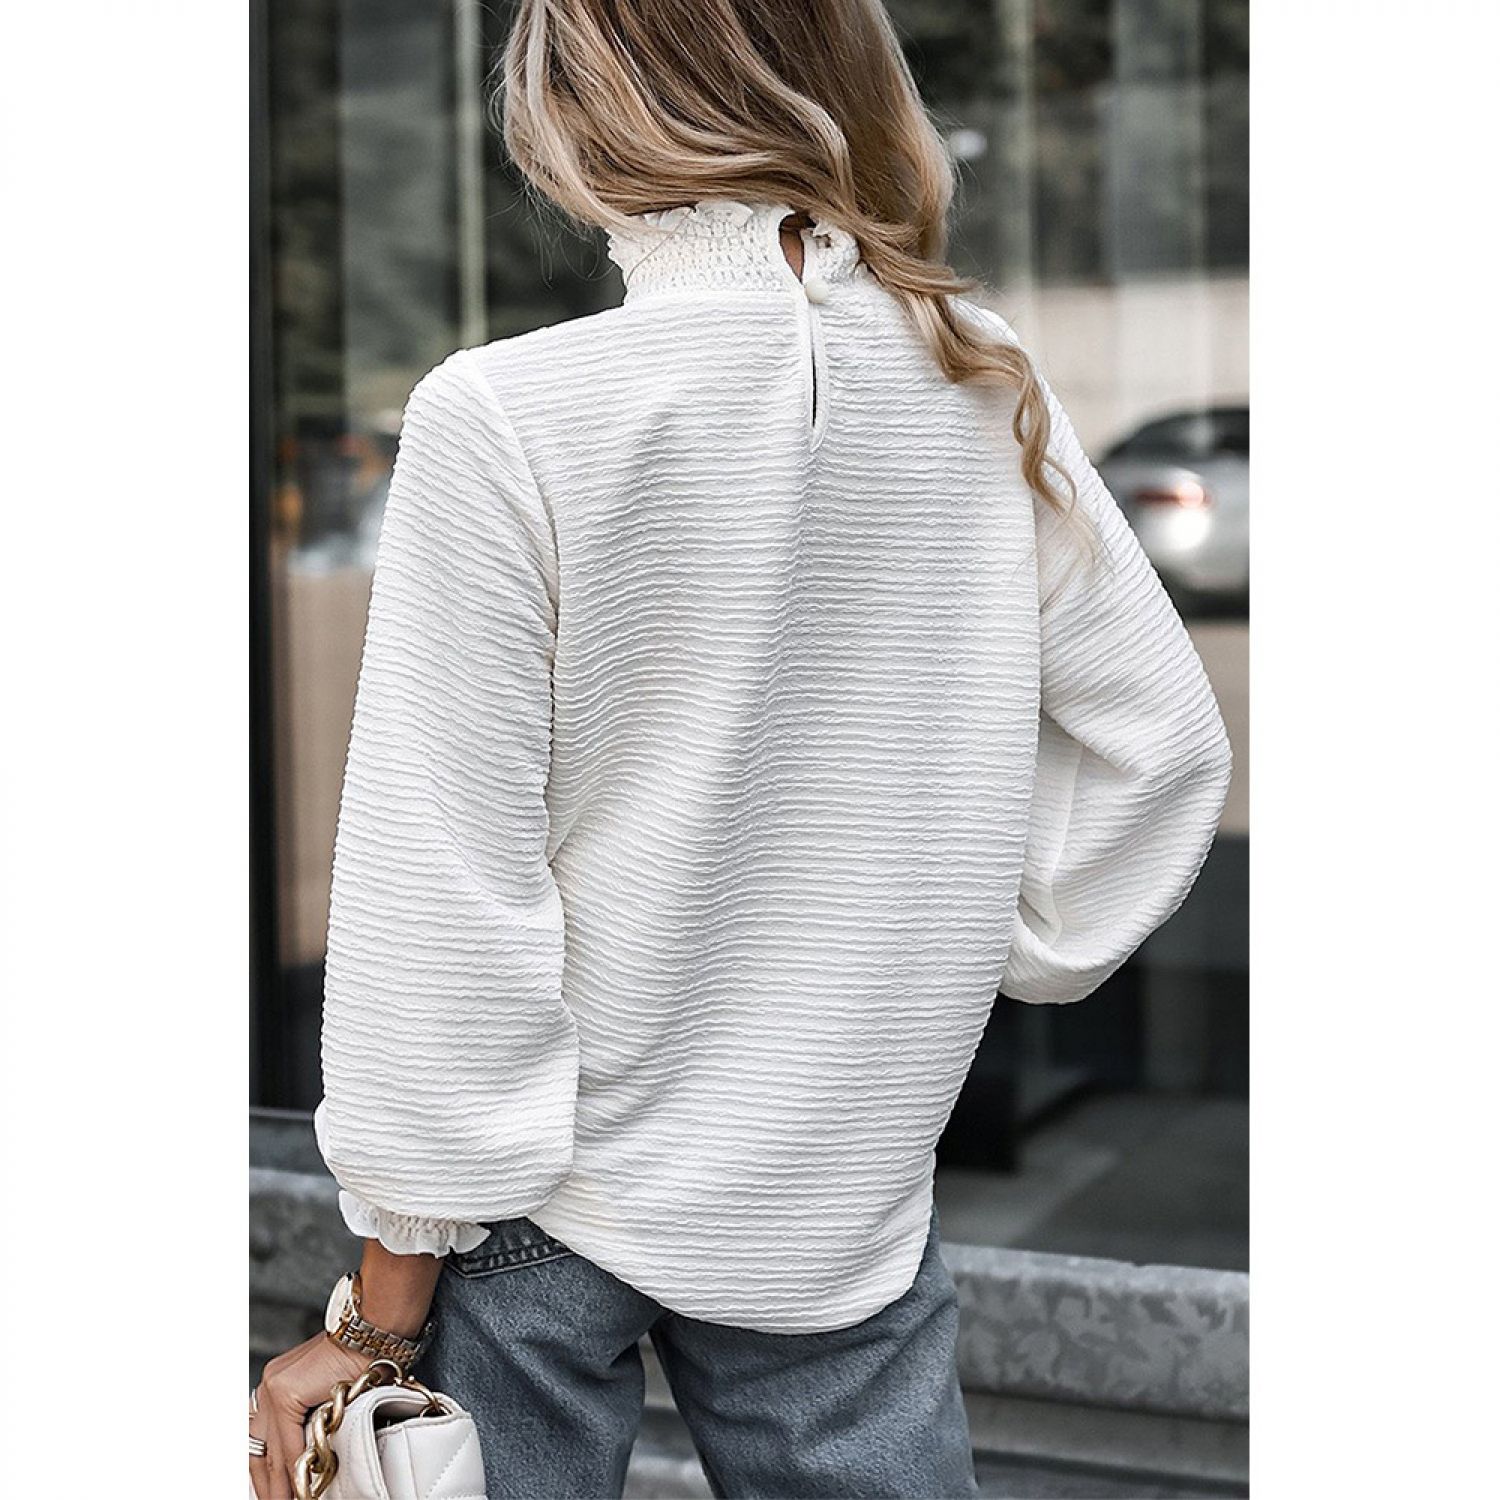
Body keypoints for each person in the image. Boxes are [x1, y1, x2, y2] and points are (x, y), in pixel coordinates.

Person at [249, 1, 1233, 1495]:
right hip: (842, 1189)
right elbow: (1159, 751)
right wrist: (932, 971)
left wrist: (379, 1311)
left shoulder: (506, 414)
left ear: (580, 113)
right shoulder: (977, 380)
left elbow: (443, 893)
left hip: (541, 1204)